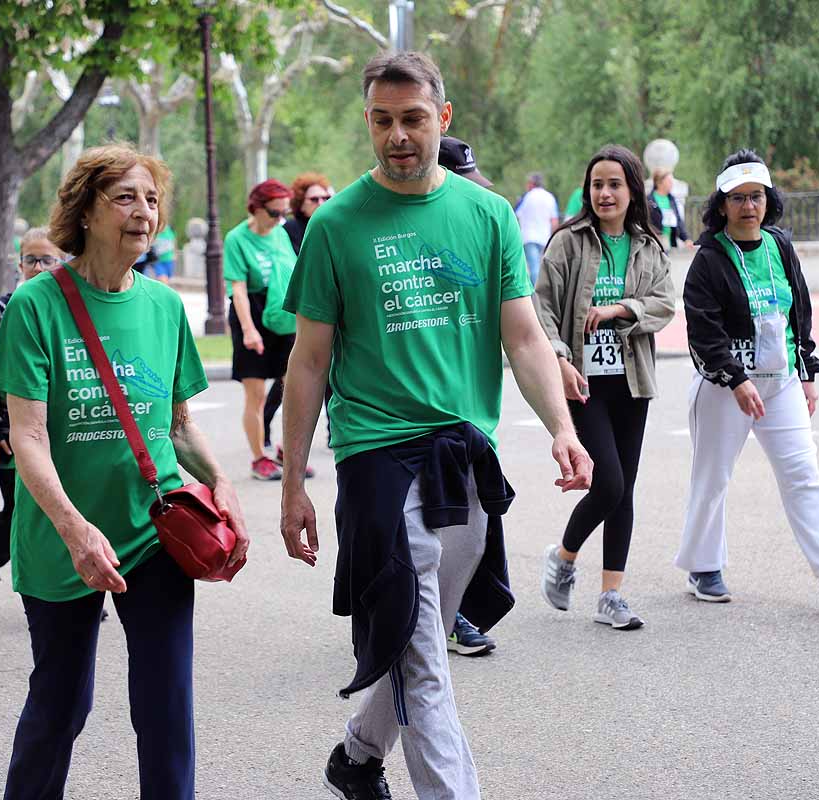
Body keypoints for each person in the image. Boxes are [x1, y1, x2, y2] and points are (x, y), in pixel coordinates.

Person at [279, 51, 592, 800]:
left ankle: (356, 756)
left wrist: (562, 427)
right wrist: (292, 484)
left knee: (420, 633)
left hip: (463, 455)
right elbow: (309, 361)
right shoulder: (336, 225)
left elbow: (522, 335)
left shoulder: (485, 215)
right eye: (382, 121)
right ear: (367, 123)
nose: (397, 135)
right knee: (421, 651)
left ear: (441, 118)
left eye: (412, 119)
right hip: (376, 457)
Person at [0, 143, 249, 800]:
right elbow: (28, 436)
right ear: (87, 209)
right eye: (127, 197)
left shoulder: (163, 307)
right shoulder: (36, 306)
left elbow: (179, 424)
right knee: (59, 709)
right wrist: (76, 531)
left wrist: (221, 486)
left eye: (153, 199)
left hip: (153, 534)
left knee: (166, 711)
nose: (145, 212)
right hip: (61, 540)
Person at [677, 149, 819, 608]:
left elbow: (799, 315)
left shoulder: (780, 246)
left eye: (757, 197)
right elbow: (703, 331)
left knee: (803, 472)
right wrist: (735, 379)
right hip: (724, 389)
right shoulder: (709, 260)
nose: (749, 206)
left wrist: (806, 371)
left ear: (768, 200)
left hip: (782, 381)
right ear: (722, 205)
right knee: (712, 477)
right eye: (738, 198)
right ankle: (703, 566)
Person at [533, 145, 676, 630]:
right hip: (584, 382)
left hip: (633, 380)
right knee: (608, 482)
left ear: (632, 189)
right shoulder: (567, 242)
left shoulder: (647, 245)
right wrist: (559, 356)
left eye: (614, 184)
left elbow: (664, 303)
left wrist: (621, 310)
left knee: (625, 489)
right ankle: (565, 555)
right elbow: (542, 307)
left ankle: (610, 595)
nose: (605, 193)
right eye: (597, 184)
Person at [0, 227, 63, 608]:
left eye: (47, 259)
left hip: (63, 434)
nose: (38, 267)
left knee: (68, 506)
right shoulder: (5, 310)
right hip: (14, 433)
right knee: (20, 512)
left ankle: (72, 585)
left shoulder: (72, 309)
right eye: (31, 260)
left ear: (63, 262)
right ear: (19, 264)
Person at [433, 136, 500, 657]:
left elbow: (519, 327)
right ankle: (428, 624)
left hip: (471, 416)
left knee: (471, 532)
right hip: (397, 424)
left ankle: (452, 614)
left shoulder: (483, 225)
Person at [224, 178, 298, 480]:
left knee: (292, 389)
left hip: (280, 313)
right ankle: (259, 458)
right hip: (250, 312)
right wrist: (249, 330)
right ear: (255, 208)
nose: (280, 219)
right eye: (274, 212)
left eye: (284, 213)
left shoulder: (280, 234)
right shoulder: (236, 239)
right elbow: (238, 290)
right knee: (254, 394)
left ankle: (286, 450)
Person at [515, 172, 560, 286]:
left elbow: (517, 214)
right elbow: (554, 220)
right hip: (545, 237)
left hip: (529, 237)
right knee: (543, 268)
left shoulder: (527, 196)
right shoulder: (550, 197)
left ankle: (535, 296)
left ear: (531, 184)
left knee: (533, 268)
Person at [284, 172, 334, 255]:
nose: (321, 203)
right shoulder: (290, 228)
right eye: (314, 199)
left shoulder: (332, 226)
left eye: (325, 198)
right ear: (301, 203)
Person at [648, 168, 693, 248]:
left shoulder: (671, 200)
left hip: (671, 242)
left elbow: (678, 221)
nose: (671, 183)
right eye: (669, 181)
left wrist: (686, 239)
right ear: (659, 182)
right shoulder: (649, 200)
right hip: (656, 243)